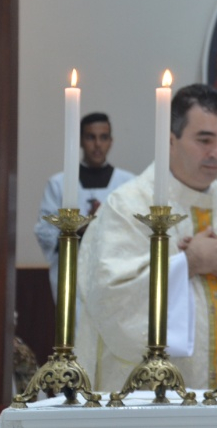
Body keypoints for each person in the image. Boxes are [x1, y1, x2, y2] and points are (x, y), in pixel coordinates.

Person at [75, 84, 217, 391]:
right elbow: (109, 298)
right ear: (170, 140)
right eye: (204, 140)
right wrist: (188, 263)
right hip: (152, 403)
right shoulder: (128, 207)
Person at [35, 112, 134, 301]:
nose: (97, 145)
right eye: (91, 137)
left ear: (111, 141)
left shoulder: (128, 183)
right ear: (80, 141)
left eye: (103, 138)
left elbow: (136, 233)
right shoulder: (59, 184)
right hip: (72, 276)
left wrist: (106, 224)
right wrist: (77, 230)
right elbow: (44, 232)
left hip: (115, 277)